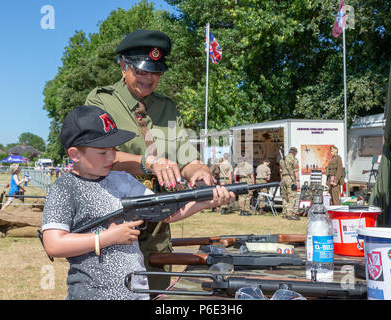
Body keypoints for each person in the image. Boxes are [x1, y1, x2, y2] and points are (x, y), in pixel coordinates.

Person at [41, 105, 234, 300]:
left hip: (135, 293)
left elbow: (166, 213)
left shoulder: (122, 180)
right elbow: (54, 244)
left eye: (114, 149)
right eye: (102, 152)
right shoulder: (65, 187)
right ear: (75, 154)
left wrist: (207, 201)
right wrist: (107, 238)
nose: (112, 157)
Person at [84, 29, 214, 292]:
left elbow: (185, 156)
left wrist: (199, 171)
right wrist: (148, 162)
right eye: (141, 71)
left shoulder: (167, 108)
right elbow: (94, 155)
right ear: (123, 66)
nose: (149, 79)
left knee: (156, 294)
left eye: (155, 73)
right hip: (113, 225)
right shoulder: (101, 100)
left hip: (157, 229)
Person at [279, 147, 300, 220]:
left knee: (284, 197)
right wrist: (298, 181)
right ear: (295, 152)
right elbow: (296, 171)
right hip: (290, 179)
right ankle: (290, 214)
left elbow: (281, 171)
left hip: (283, 179)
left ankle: (284, 213)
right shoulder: (294, 159)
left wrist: (282, 180)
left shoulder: (282, 159)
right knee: (292, 196)